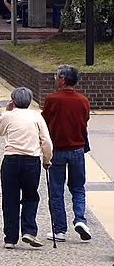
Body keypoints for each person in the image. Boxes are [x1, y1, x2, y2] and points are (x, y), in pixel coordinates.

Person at [0, 87, 53, 249]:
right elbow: (46, 141)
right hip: (31, 161)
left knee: (10, 198)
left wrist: (6, 112)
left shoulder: (8, 116)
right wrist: (47, 160)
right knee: (31, 197)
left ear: (13, 101)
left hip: (11, 160)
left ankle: (10, 238)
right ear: (30, 101)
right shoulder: (36, 117)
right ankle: (28, 231)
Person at [42, 64, 92, 242]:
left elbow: (44, 121)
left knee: (56, 190)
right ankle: (80, 219)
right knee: (78, 188)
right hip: (78, 149)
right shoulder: (83, 100)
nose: (55, 79)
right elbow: (85, 120)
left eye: (56, 76)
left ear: (62, 79)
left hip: (58, 150)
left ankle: (60, 230)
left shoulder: (53, 99)